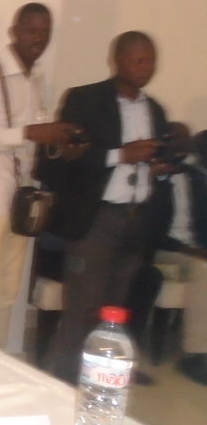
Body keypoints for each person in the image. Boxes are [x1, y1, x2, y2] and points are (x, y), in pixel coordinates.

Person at [37, 31, 170, 382]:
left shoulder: (155, 110)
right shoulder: (86, 100)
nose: (146, 67)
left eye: (151, 61)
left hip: (136, 218)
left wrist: (158, 168)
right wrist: (120, 155)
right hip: (97, 219)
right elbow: (65, 159)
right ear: (117, 61)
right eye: (138, 60)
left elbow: (155, 159)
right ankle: (60, 381)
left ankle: (96, 377)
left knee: (113, 311)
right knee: (82, 308)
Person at [0, 3, 76, 349]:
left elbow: (31, 141)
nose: (39, 38)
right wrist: (28, 133)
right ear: (13, 31)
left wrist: (57, 141)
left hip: (23, 200)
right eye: (31, 30)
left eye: (45, 32)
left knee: (7, 292)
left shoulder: (36, 78)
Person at [155, 128, 207, 384]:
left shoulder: (195, 177)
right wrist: (191, 250)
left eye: (185, 142)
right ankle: (196, 355)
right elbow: (152, 232)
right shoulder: (155, 177)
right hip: (165, 249)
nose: (181, 148)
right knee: (203, 270)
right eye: (175, 141)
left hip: (192, 248)